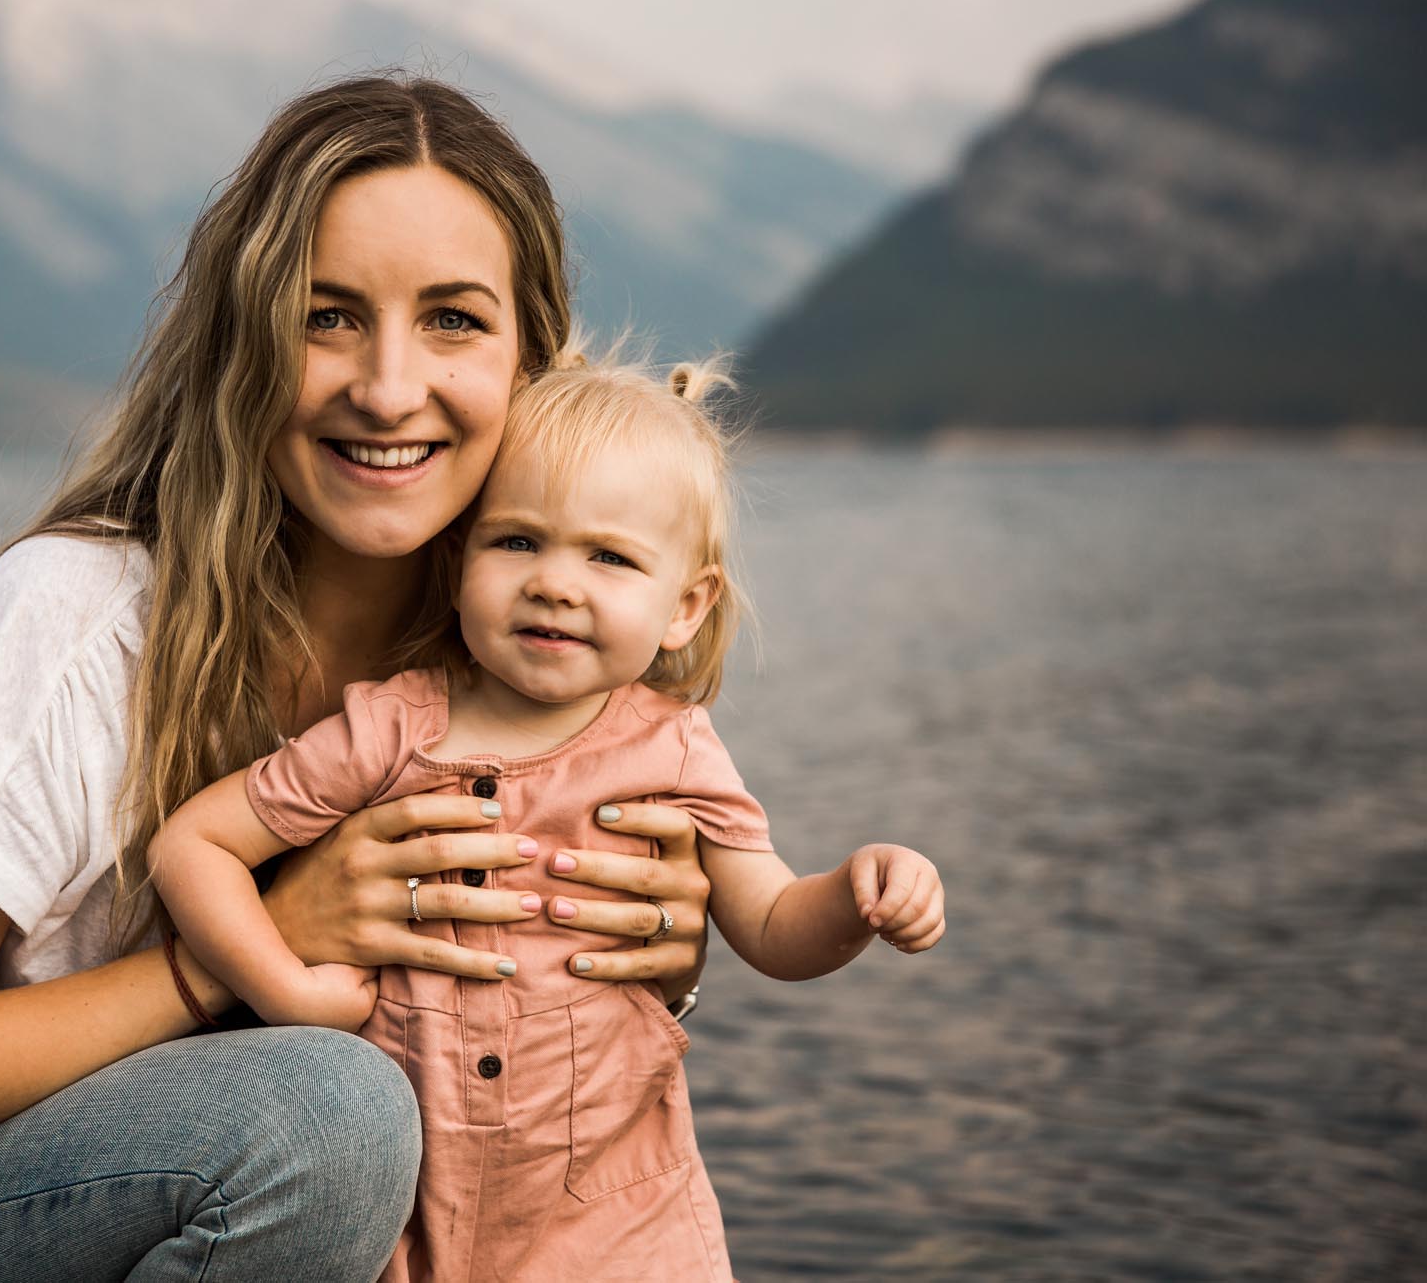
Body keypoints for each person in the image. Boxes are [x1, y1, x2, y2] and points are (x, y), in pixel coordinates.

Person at [0, 75, 727, 1281]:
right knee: (325, 1118)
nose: (387, 387)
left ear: (531, 357)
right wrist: (237, 953)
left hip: (179, 1191)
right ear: (244, 340)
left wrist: (646, 960)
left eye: (451, 320)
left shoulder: (520, 643)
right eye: (326, 316)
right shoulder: (72, 621)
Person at [151, 344, 948, 1280]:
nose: (554, 582)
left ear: (684, 606)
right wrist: (282, 987)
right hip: (407, 1215)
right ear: (460, 561)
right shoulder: (388, 729)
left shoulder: (675, 749)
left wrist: (858, 894)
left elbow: (772, 925)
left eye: (608, 556)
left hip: (615, 1223)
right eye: (517, 540)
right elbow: (193, 843)